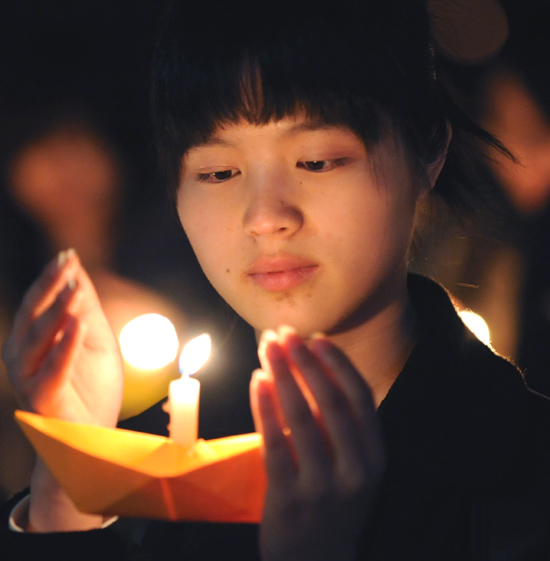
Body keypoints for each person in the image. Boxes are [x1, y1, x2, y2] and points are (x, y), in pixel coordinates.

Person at [2, 0, 550, 559]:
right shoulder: (138, 473)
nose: (264, 217)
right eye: (218, 172)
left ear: (427, 149)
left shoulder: (525, 470)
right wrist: (67, 488)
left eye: (316, 161)